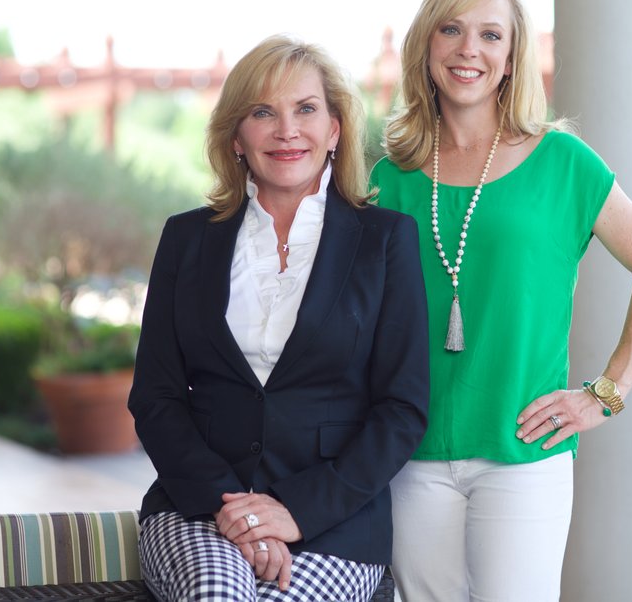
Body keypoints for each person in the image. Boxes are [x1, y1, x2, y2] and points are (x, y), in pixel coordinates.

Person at [369, 0, 632, 601]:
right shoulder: (389, 177)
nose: (469, 50)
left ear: (512, 57)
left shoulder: (563, 163)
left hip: (524, 454)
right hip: (409, 456)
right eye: (452, 30)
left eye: (491, 35)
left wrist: (606, 393)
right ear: (426, 44)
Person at [128, 34, 430, 602]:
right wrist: (236, 512)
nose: (287, 130)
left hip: (333, 520)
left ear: (335, 130)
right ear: (236, 138)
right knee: (217, 592)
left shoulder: (386, 240)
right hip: (201, 508)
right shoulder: (187, 238)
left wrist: (294, 511)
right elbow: (155, 397)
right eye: (263, 113)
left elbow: (402, 408)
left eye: (306, 109)